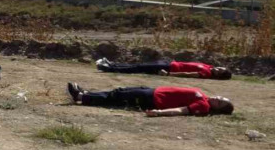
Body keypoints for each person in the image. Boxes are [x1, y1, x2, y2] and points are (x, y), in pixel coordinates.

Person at [66, 83, 234, 117]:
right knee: (119, 92)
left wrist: (159, 113)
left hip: (153, 99)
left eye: (220, 102)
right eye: (220, 97)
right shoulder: (204, 97)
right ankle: (87, 94)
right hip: (154, 91)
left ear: (217, 109)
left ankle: (81, 97)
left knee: (117, 97)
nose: (217, 98)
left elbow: (181, 110)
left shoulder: (203, 106)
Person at [96, 58, 232, 80]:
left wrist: (169, 75)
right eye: (221, 68)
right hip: (170, 63)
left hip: (168, 68)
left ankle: (108, 68)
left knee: (138, 68)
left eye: (221, 71)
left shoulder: (206, 73)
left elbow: (188, 73)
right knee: (140, 65)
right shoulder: (209, 67)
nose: (219, 68)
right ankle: (112, 64)